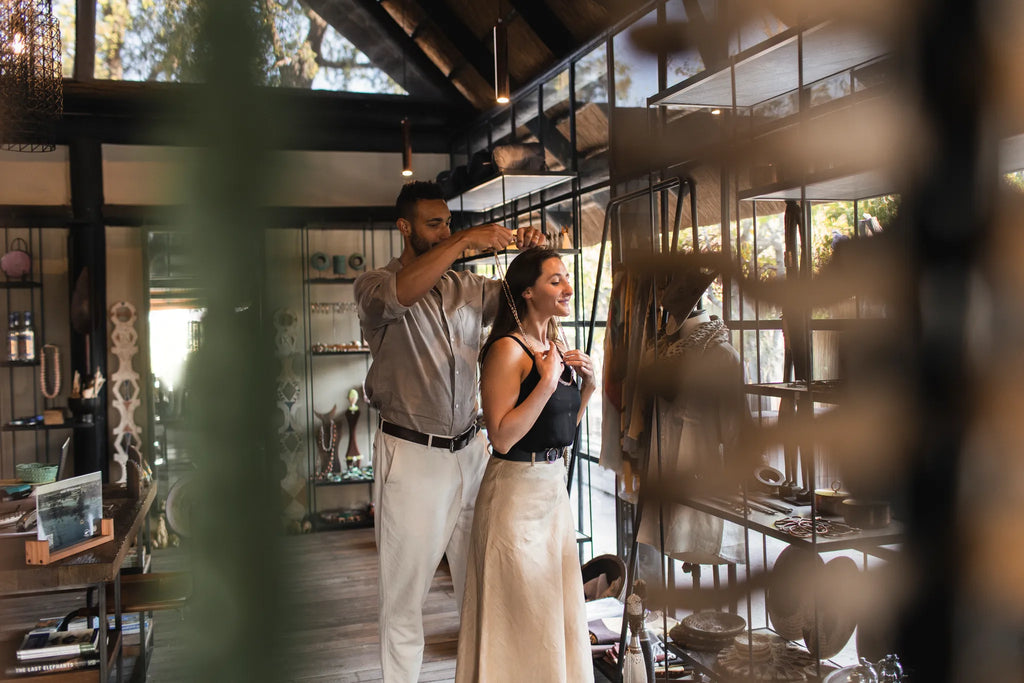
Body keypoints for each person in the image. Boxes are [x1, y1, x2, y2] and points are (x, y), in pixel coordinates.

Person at [354, 180, 545, 683]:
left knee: (482, 585)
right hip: (412, 456)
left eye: (448, 223)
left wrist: (531, 251)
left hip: (473, 452)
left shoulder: (467, 287)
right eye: (434, 223)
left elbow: (517, 303)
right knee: (404, 597)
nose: (445, 231)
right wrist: (463, 241)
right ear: (404, 227)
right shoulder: (374, 286)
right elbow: (401, 293)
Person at [455, 247, 597, 683]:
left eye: (566, 278)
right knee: (519, 617)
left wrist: (588, 387)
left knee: (551, 616)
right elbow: (500, 434)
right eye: (555, 280)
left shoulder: (554, 345)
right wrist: (548, 381)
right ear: (528, 292)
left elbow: (559, 431)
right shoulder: (505, 350)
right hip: (514, 498)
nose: (567, 288)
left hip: (553, 493)